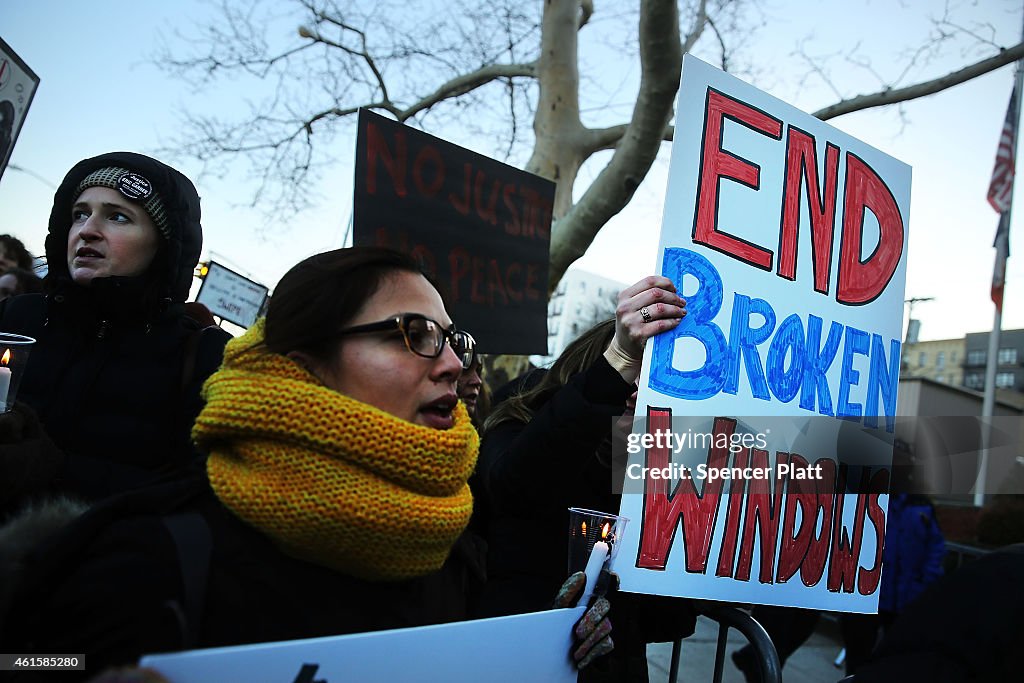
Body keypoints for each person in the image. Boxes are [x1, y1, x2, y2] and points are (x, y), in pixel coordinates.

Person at [0, 247, 609, 680]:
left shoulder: (453, 543)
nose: (452, 363)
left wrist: (540, 644)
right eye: (416, 332)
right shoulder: (151, 554)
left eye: (454, 339)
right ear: (308, 363)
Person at [476, 276, 694, 682]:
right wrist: (616, 368)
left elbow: (670, 620)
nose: (642, 397)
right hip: (515, 661)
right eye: (635, 379)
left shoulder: (649, 473)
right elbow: (516, 489)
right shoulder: (519, 423)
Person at [0, 152, 229, 508]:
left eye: (118, 217)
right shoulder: (16, 316)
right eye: (79, 214)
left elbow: (196, 497)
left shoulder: (202, 358)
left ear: (163, 246)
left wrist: (55, 471)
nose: (87, 230)